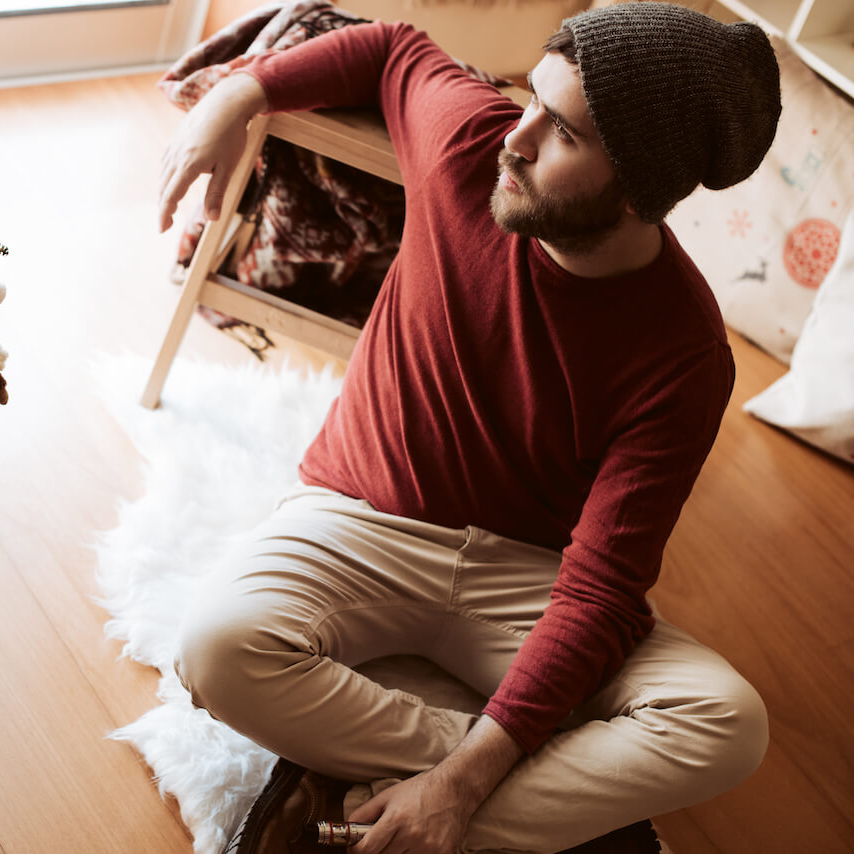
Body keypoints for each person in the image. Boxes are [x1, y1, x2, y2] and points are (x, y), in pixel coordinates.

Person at [156, 2, 782, 853]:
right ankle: (505, 804)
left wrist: (462, 779)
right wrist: (240, 94)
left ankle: (379, 801)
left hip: (526, 578)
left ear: (639, 186)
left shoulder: (685, 353)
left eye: (560, 130)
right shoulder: (467, 149)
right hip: (361, 520)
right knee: (216, 648)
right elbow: (390, 48)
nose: (515, 139)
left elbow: (599, 590)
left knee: (726, 723)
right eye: (532, 96)